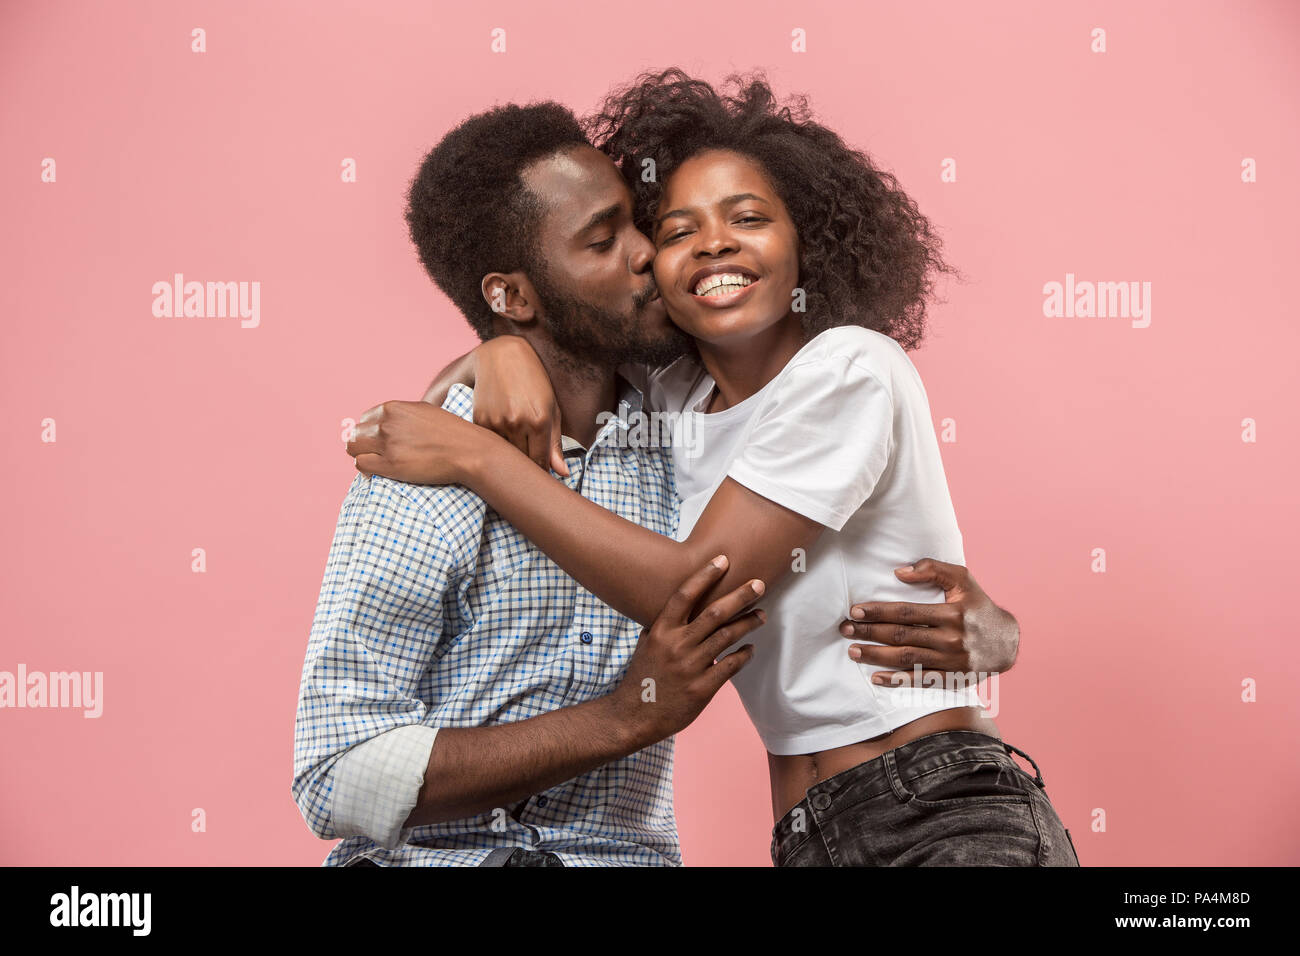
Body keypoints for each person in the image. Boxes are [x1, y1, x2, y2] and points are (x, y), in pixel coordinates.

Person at [349, 70, 1078, 866]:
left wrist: (480, 458)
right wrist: (499, 349)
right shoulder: (674, 396)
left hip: (936, 809)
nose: (715, 243)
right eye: (676, 231)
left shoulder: (849, 370)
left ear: (808, 243)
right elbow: (567, 341)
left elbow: (694, 588)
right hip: (811, 837)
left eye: (749, 218)